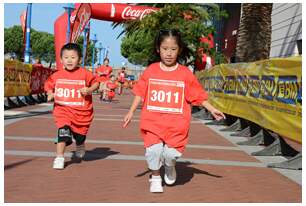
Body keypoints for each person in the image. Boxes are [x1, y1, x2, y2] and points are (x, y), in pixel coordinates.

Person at [123, 29, 225, 193]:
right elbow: (140, 91)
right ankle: (155, 177)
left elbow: (197, 94)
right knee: (153, 151)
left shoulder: (185, 74)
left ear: (179, 50)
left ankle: (170, 166)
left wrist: (212, 109)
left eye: (173, 49)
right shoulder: (151, 70)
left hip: (177, 125)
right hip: (153, 122)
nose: (168, 53)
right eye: (165, 49)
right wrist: (131, 111)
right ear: (158, 49)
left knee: (170, 155)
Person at [44, 43, 99, 170]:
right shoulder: (57, 75)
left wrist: (89, 89)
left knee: (80, 136)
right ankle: (59, 157)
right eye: (66, 57)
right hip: (62, 111)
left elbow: (96, 83)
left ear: (79, 59)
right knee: (63, 132)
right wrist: (50, 93)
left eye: (73, 57)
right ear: (61, 59)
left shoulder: (85, 73)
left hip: (82, 114)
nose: (69, 60)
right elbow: (49, 85)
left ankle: (80, 144)